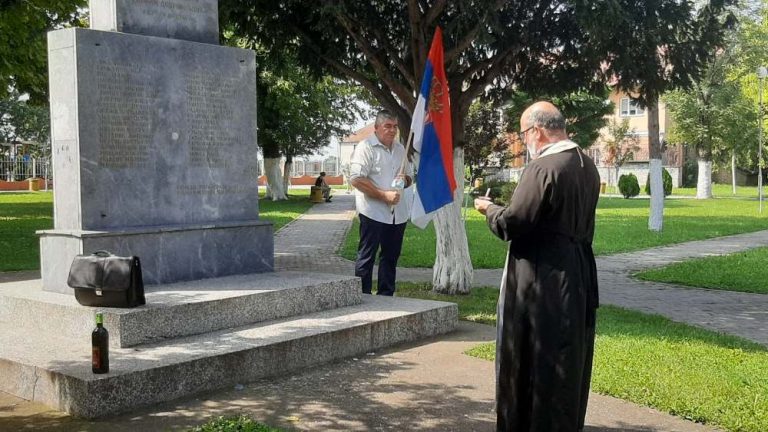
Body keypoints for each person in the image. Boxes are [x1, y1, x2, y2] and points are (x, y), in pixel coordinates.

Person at [474, 101, 600, 431]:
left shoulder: (543, 167)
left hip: (543, 277)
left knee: (533, 354)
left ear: (537, 131)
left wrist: (489, 209)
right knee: (567, 355)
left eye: (523, 133)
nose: (523, 141)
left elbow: (515, 222)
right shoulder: (586, 164)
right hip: (577, 273)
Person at [348, 109, 412, 296]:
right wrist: (384, 195)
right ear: (376, 128)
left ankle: (386, 297)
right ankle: (362, 297)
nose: (392, 130)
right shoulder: (366, 147)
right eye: (387, 126)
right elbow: (356, 179)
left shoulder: (400, 149)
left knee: (390, 258)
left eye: (395, 127)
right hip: (373, 212)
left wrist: (404, 180)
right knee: (366, 257)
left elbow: (409, 178)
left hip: (397, 214)